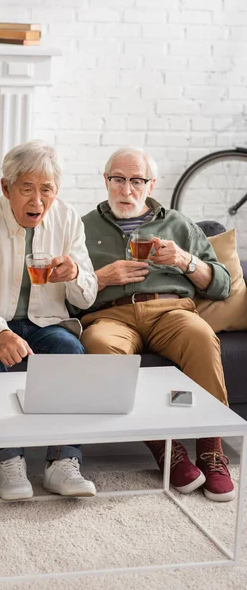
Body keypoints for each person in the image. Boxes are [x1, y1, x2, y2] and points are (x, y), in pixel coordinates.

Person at [81, 146, 235, 502]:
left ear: (151, 185)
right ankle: (166, 447)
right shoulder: (83, 227)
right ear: (105, 181)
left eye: (137, 180)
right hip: (111, 315)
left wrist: (185, 261)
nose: (126, 189)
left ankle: (211, 449)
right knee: (100, 346)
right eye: (118, 179)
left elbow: (222, 285)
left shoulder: (178, 224)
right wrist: (101, 278)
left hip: (170, 311)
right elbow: (67, 294)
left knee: (200, 337)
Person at [0, 140, 98, 501]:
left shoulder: (67, 219)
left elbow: (87, 296)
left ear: (56, 191)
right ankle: (8, 460)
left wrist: (75, 272)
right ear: (6, 188)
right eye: (27, 189)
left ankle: (63, 463)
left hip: (46, 324)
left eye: (46, 190)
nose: (37, 201)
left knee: (71, 351)